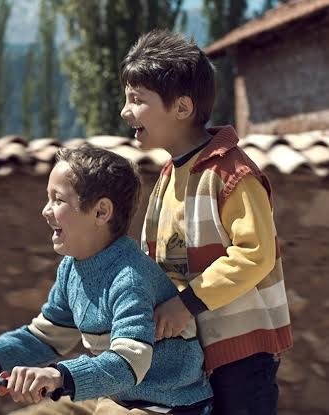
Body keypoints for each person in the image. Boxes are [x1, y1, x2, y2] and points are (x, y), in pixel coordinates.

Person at [0, 146, 213, 414]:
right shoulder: (71, 269)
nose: (46, 210)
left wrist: (58, 376)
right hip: (119, 397)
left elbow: (128, 363)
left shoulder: (129, 278)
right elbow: (44, 338)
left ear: (101, 212)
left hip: (164, 404)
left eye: (58, 200)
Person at [119, 30, 292, 415]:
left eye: (137, 100)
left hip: (241, 358)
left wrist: (186, 303)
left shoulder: (232, 174)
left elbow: (255, 254)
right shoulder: (169, 175)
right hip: (193, 356)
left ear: (182, 107)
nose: (125, 112)